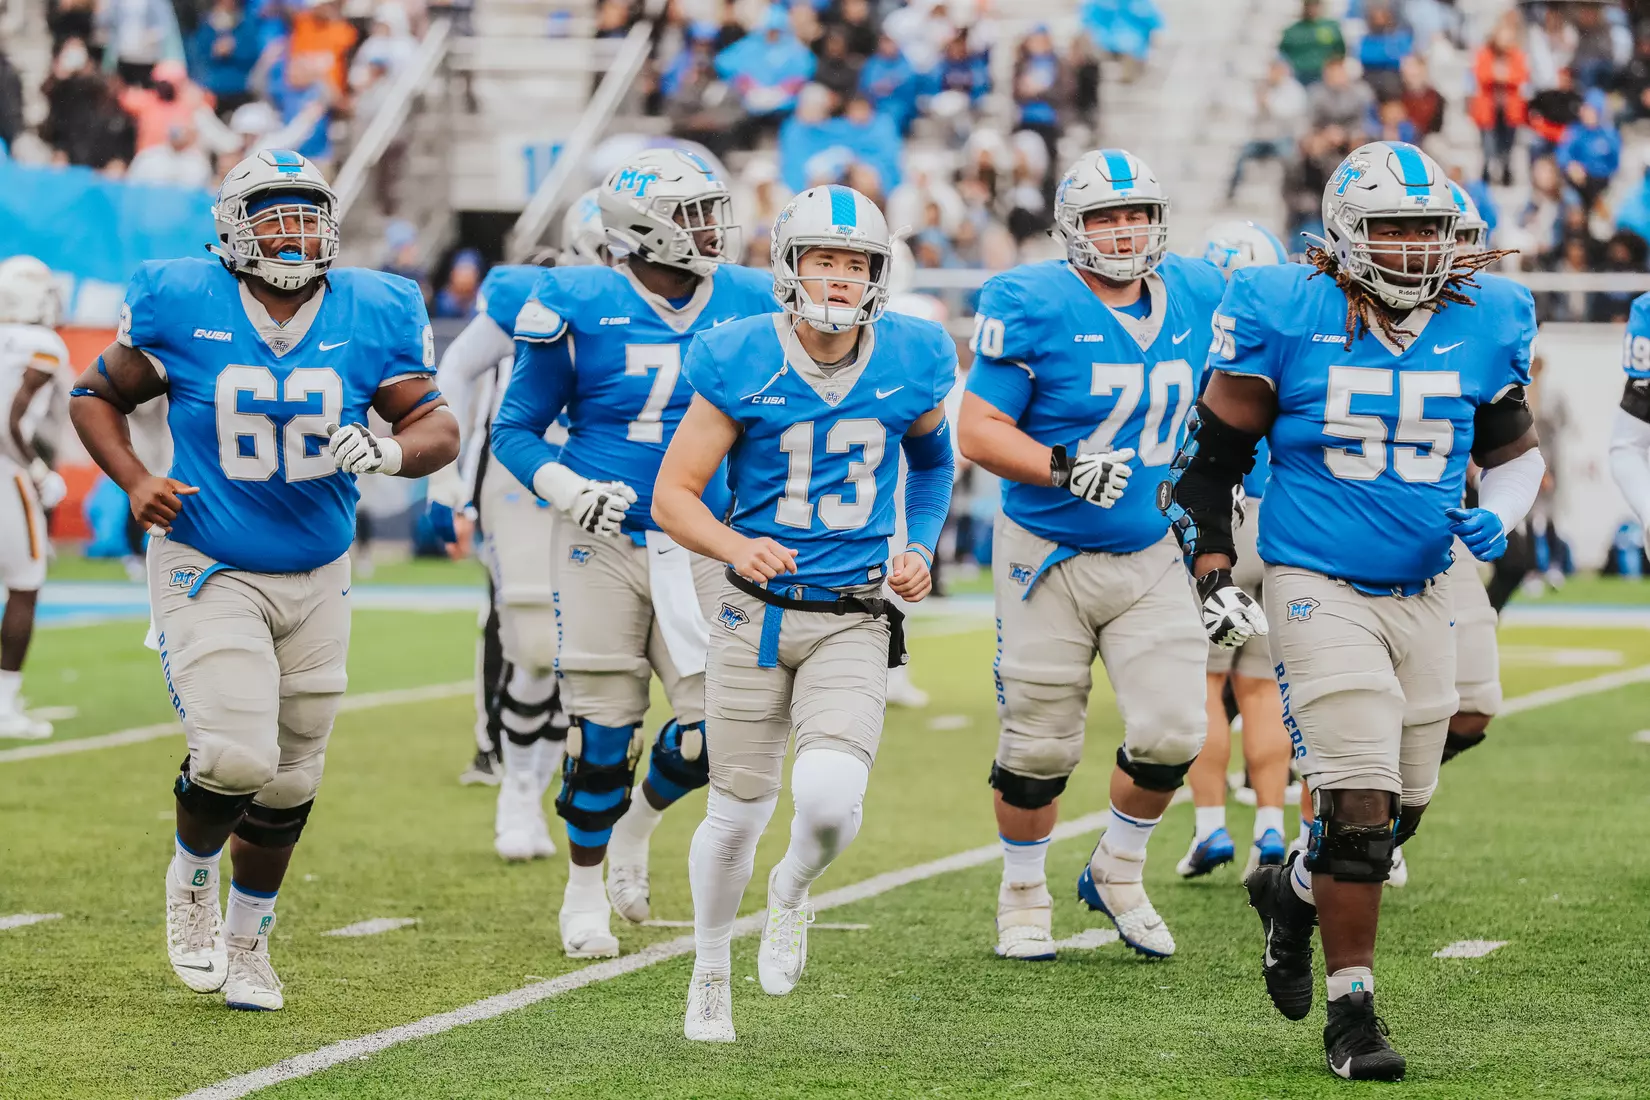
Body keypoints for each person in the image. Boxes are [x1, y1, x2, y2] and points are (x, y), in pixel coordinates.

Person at [1173, 140, 1543, 1079]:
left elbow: (1514, 452)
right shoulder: (1283, 308)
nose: (1418, 249)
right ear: (1344, 236)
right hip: (1314, 580)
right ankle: (1354, 1015)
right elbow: (1209, 462)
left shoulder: (1487, 313)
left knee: (1400, 811)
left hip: (1427, 582)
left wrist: (1498, 513)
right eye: (1394, 230)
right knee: (1361, 809)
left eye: (1429, 228)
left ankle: (1292, 890)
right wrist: (1216, 572)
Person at [67, 150, 459, 1011]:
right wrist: (135, 479)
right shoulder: (180, 296)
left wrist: (390, 451)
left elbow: (438, 423)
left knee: (291, 779)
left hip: (318, 568)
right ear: (232, 227)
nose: (293, 230)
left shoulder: (376, 304)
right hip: (208, 555)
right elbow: (95, 395)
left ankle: (250, 942)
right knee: (235, 755)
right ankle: (193, 879)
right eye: (272, 213)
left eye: (306, 212)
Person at [654, 184, 955, 1043]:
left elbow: (934, 465)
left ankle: (791, 888)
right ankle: (710, 970)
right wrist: (730, 546)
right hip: (754, 612)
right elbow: (673, 495)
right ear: (788, 265)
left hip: (855, 611)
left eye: (857, 264)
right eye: (825, 260)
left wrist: (921, 547)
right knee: (736, 812)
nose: (841, 279)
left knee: (825, 802)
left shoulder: (913, 354)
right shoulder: (740, 353)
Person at [490, 148, 777, 957]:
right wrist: (561, 484)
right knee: (603, 729)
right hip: (602, 536)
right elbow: (512, 428)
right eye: (693, 214)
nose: (712, 229)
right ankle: (582, 892)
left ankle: (639, 826)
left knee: (720, 731)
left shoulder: (755, 300)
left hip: (710, 541)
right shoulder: (576, 301)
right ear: (644, 227)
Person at [957, 149, 1227, 963]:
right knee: (1039, 742)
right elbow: (978, 431)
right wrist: (1061, 464)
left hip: (1150, 548)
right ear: (1072, 230)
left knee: (1176, 730)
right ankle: (1023, 890)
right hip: (1046, 549)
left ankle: (1118, 866)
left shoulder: (1201, 290)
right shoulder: (1031, 299)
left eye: (1135, 214)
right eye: (1105, 217)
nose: (1123, 230)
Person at [1177, 221, 1292, 880]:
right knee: (1264, 690)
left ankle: (1211, 828)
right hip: (1277, 525)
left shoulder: (1195, 339)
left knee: (1207, 683)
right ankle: (1271, 829)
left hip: (1218, 525)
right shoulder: (1290, 334)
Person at [0, 257, 71, 739]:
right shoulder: (41, 344)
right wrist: (37, 470)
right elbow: (7, 419)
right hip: (8, 472)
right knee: (25, 583)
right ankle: (4, 705)